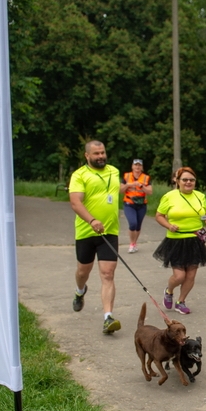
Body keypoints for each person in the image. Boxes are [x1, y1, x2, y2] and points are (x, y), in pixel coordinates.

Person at [69, 140, 122, 335]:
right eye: (96, 153)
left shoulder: (114, 172)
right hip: (86, 231)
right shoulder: (79, 175)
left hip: (109, 232)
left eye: (103, 153)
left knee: (108, 274)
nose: (101, 156)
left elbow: (113, 192)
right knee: (83, 272)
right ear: (87, 156)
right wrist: (92, 220)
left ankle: (108, 317)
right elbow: (75, 202)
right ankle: (80, 290)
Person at [153, 166, 206, 315]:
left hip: (195, 239)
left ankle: (181, 301)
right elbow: (159, 215)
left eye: (191, 180)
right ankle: (169, 290)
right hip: (176, 240)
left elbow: (205, 213)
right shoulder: (169, 197)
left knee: (191, 275)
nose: (188, 182)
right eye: (185, 179)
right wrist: (168, 225)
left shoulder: (200, 196)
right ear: (177, 181)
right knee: (179, 276)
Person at [121, 159, 153, 253]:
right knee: (133, 223)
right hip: (129, 203)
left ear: (142, 167)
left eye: (139, 165)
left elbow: (150, 192)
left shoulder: (146, 178)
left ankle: (134, 243)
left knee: (138, 225)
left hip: (141, 204)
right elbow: (120, 190)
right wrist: (129, 185)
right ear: (132, 166)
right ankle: (131, 244)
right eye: (136, 165)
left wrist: (142, 186)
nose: (137, 167)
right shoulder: (126, 176)